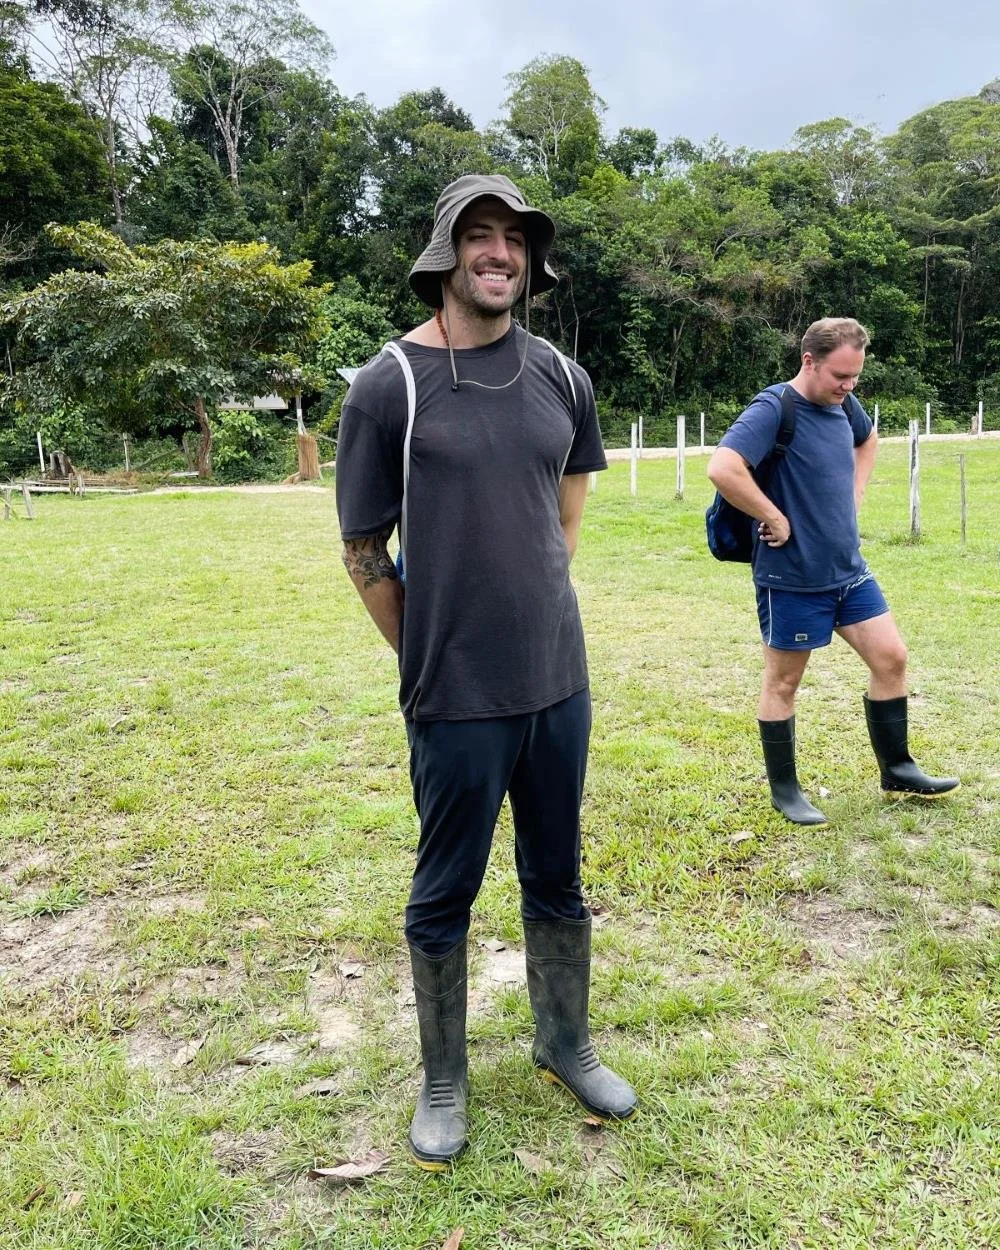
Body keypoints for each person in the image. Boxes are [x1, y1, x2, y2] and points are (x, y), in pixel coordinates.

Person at [335, 174, 637, 1169]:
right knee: (444, 889)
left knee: (557, 874)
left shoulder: (562, 376)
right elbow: (363, 549)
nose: (499, 251)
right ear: (446, 253)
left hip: (558, 682)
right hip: (453, 696)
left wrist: (530, 618)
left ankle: (564, 1041)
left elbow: (564, 520)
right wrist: (431, 649)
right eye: (480, 234)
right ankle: (443, 1078)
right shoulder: (390, 384)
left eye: (514, 236)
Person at [707, 317, 959, 826]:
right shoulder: (773, 408)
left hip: (849, 571)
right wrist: (773, 515)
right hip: (792, 577)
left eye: (855, 377)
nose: (849, 387)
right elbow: (723, 467)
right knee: (784, 681)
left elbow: (867, 440)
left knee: (891, 657)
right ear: (809, 361)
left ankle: (897, 769)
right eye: (840, 376)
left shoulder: (843, 403)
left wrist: (855, 493)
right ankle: (785, 791)